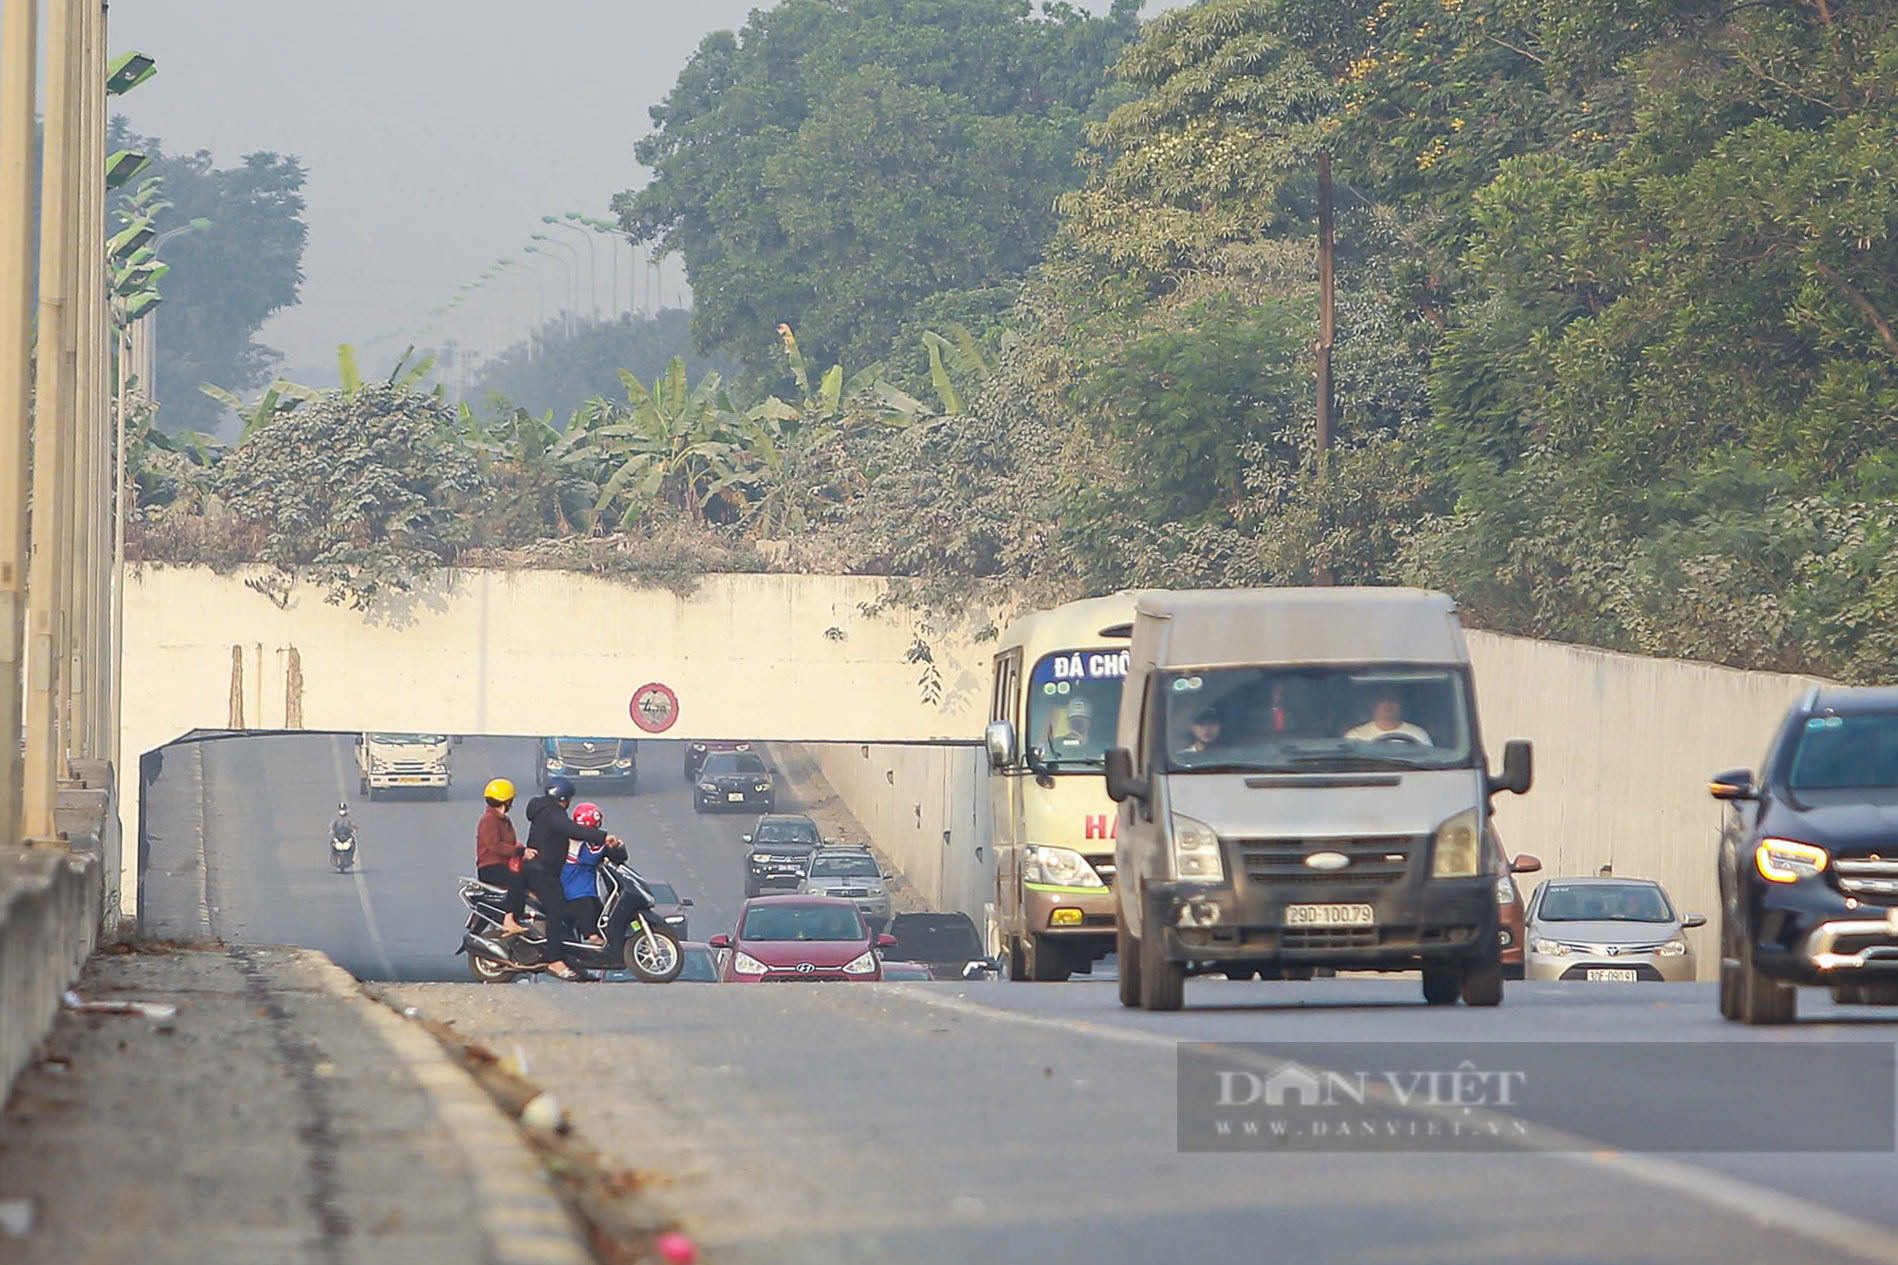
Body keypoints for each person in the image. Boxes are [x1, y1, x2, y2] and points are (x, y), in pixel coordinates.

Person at [522, 777, 622, 981]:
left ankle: (574, 963)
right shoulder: (553, 813)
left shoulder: (544, 810)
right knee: (556, 908)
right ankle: (554, 960)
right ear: (564, 798)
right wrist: (603, 837)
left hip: (545, 871)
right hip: (541, 871)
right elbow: (572, 830)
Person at [560, 802, 628, 945]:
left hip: (587, 888)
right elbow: (589, 857)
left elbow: (619, 858)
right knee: (587, 909)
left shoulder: (593, 841)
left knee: (600, 912)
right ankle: (591, 936)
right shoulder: (574, 839)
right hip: (573, 888)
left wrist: (617, 847)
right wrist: (605, 843)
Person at [474, 777, 530, 937]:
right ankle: (509, 919)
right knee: (516, 880)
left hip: (502, 865)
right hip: (490, 868)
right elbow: (495, 846)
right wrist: (519, 852)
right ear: (507, 801)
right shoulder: (489, 820)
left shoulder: (504, 820)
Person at [1345, 689, 1432, 744]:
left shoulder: (1418, 734)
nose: (1387, 704)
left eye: (1393, 699)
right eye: (1382, 699)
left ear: (1402, 704)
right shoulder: (1356, 736)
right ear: (1372, 704)